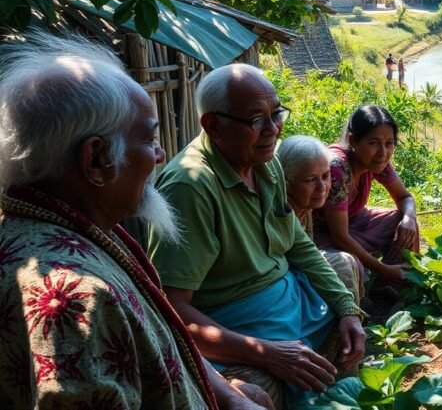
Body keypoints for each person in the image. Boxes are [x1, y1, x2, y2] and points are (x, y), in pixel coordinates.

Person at [0, 32, 268, 409]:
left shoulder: (72, 232)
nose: (160, 154)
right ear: (96, 160)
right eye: (149, 138)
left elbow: (161, 333)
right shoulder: (72, 302)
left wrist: (226, 396)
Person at [149, 64, 365, 410]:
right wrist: (265, 352)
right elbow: (172, 310)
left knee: (344, 267)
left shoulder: (267, 163)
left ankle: (342, 391)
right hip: (238, 321)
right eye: (256, 120)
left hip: (288, 297)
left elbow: (297, 243)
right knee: (258, 390)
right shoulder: (190, 188)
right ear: (214, 126)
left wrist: (348, 309)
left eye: (276, 114)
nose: (273, 130)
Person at [315, 105, 420, 293]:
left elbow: (405, 197)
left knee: (403, 223)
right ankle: (372, 293)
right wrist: (384, 269)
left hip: (354, 223)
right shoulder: (338, 167)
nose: (382, 152)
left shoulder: (377, 161)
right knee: (352, 266)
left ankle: (391, 288)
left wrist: (409, 218)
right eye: (374, 143)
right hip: (325, 235)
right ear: (352, 141)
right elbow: (339, 236)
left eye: (389, 143)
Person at [278, 136, 364, 304]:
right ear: (286, 183)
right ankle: (343, 327)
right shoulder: (283, 212)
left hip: (297, 273)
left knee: (350, 261)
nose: (322, 187)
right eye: (310, 180)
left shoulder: (305, 206)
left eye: (326, 176)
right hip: (282, 284)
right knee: (342, 263)